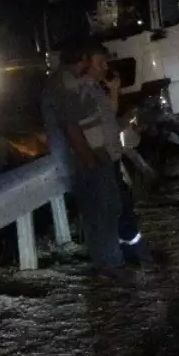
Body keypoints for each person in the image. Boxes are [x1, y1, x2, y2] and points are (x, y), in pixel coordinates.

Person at [41, 39, 129, 281]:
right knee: (102, 211)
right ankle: (110, 265)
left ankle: (111, 263)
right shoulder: (65, 84)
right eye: (96, 61)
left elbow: (97, 117)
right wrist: (89, 159)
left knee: (108, 209)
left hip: (96, 155)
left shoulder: (76, 83)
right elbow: (71, 127)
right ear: (84, 60)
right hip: (85, 158)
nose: (103, 67)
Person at [81, 54, 155, 266]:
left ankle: (129, 254)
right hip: (99, 158)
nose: (105, 66)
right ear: (87, 64)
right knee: (119, 206)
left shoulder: (95, 88)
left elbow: (109, 115)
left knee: (122, 204)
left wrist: (114, 90)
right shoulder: (81, 92)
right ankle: (133, 255)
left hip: (110, 156)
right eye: (100, 62)